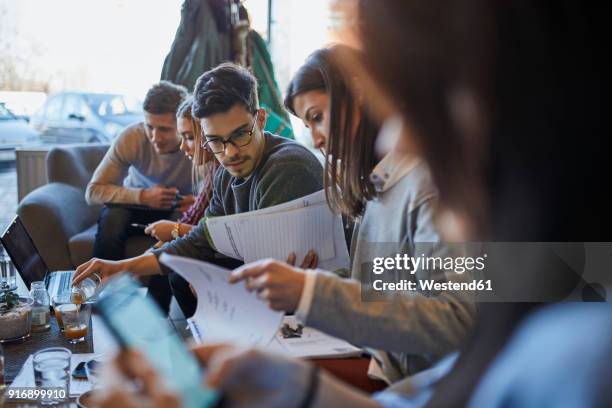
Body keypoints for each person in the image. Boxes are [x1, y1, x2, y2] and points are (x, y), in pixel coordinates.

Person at [91, 1, 609, 407]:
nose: (397, 141)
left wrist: (315, 295)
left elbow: (450, 317)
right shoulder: (553, 294)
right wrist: (294, 384)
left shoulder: (581, 351)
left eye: (417, 102)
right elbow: (414, 306)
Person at [228, 45, 476, 382]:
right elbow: (387, 284)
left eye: (317, 117)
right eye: (307, 124)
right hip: (384, 359)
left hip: (417, 381)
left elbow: (457, 320)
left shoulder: (423, 184)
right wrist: (311, 282)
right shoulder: (377, 182)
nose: (315, 139)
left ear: (358, 94)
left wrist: (313, 292)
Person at [73, 63, 324, 318]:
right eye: (215, 140)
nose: (230, 152)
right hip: (275, 285)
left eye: (240, 135)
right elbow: (202, 239)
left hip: (306, 303)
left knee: (191, 280)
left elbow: (272, 265)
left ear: (260, 119)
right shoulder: (226, 173)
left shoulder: (286, 167)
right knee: (181, 274)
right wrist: (119, 267)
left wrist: (219, 283)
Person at [86, 81, 195, 261]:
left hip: (178, 211)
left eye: (165, 129)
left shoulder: (197, 142)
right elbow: (93, 192)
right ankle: (106, 285)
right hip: (133, 207)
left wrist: (199, 202)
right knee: (112, 218)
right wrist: (143, 196)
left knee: (186, 225)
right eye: (149, 126)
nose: (155, 138)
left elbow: (217, 193)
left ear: (183, 125)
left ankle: (164, 289)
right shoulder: (132, 137)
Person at [144, 97, 219, 246]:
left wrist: (175, 229)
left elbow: (217, 235)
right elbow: (192, 218)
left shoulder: (223, 172)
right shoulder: (214, 170)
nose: (182, 147)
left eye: (190, 137)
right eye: (182, 137)